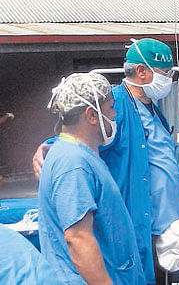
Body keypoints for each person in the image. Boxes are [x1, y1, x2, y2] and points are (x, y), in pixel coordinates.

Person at [33, 38, 179, 285]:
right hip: (141, 229)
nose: (169, 80)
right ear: (141, 71)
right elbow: (76, 133)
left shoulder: (152, 110)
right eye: (165, 73)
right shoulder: (112, 106)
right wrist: (47, 148)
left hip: (163, 230)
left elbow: (164, 162)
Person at [38, 73, 145, 285]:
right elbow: (78, 238)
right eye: (110, 108)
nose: (115, 115)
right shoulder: (73, 163)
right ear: (91, 115)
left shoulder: (81, 155)